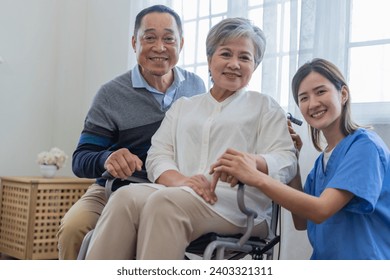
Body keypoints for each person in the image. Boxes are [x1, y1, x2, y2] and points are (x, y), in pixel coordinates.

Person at [84, 17, 297, 260]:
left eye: (245, 57)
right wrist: (181, 181)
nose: (234, 64)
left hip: (238, 206)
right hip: (177, 191)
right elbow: (158, 155)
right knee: (125, 197)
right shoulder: (183, 107)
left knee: (166, 203)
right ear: (210, 60)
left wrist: (253, 162)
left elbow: (286, 159)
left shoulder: (265, 106)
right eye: (225, 54)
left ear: (255, 66)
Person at [57, 4, 206, 260]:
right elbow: (81, 160)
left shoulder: (197, 86)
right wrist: (107, 158)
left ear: (181, 44)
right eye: (149, 38)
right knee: (75, 228)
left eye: (168, 39)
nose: (159, 47)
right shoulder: (110, 94)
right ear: (134, 42)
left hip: (175, 191)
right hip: (114, 190)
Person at [211, 58, 390, 260]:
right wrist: (293, 162)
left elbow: (321, 210)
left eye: (320, 92)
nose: (312, 103)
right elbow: (302, 221)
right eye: (303, 98)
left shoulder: (365, 146)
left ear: (343, 94)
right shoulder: (321, 164)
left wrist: (256, 176)